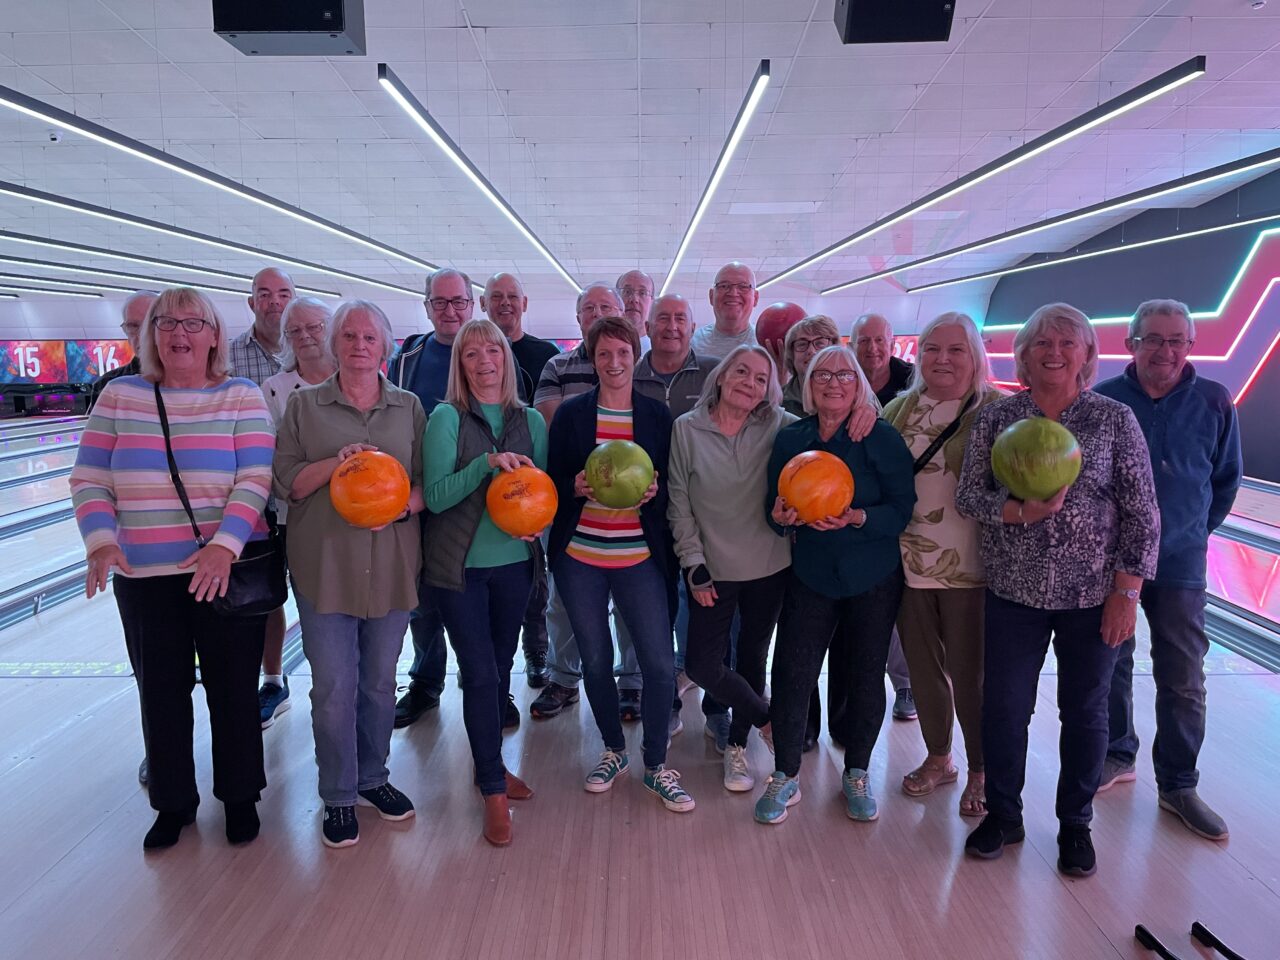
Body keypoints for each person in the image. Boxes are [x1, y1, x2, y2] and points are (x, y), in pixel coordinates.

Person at [956, 302, 1159, 878]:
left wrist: (1127, 592)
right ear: (1022, 355)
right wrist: (1019, 511)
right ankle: (1004, 815)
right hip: (1014, 592)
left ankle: (1075, 823)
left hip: (1092, 596)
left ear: (1087, 356)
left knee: (1087, 712)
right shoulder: (997, 419)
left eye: (1068, 343)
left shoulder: (1114, 419)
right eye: (1041, 342)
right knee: (1005, 708)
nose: (1054, 351)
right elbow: (970, 497)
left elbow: (1143, 512)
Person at [70, 286, 274, 850]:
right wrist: (101, 541)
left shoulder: (242, 395)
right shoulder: (119, 396)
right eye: (167, 323)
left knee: (233, 690)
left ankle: (239, 797)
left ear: (214, 335)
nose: (179, 334)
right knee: (160, 691)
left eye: (193, 323)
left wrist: (224, 545)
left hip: (224, 569)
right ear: (149, 335)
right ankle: (173, 802)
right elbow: (88, 477)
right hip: (143, 575)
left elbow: (255, 478)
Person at [273, 300, 426, 849]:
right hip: (325, 567)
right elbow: (286, 482)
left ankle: (373, 779)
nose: (360, 345)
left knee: (381, 685)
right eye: (349, 336)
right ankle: (338, 796)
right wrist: (339, 466)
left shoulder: (408, 408)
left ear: (385, 346)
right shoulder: (304, 407)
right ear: (334, 344)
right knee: (335, 688)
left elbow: (425, 487)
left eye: (370, 337)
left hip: (392, 565)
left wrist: (394, 501)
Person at [1094, 299, 1242, 841]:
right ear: (1130, 343)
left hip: (1180, 562)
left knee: (1182, 676)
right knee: (1112, 660)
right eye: (1153, 339)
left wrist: (1191, 532)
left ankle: (1179, 782)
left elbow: (1225, 480)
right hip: (1113, 562)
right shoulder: (1105, 400)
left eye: (1176, 340)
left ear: (1190, 346)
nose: (1165, 350)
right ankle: (1116, 753)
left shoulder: (1213, 401)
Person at [755, 345, 915, 826]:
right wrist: (782, 517)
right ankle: (785, 774)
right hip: (812, 574)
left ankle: (858, 771)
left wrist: (859, 516)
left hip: (872, 575)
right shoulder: (792, 439)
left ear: (859, 384)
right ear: (808, 385)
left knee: (866, 674)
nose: (832, 383)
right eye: (822, 375)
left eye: (844, 374)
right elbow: (773, 506)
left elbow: (901, 508)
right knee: (792, 673)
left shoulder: (880, 438)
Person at [545, 316, 693, 813]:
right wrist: (574, 487)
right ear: (592, 358)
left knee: (655, 661)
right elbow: (552, 483)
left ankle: (655, 763)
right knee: (593, 660)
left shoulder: (657, 416)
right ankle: (613, 750)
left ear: (636, 356)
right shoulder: (570, 415)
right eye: (603, 354)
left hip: (639, 556)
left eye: (623, 354)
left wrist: (654, 493)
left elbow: (674, 486)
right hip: (581, 557)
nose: (614, 363)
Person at [423, 318, 548, 846]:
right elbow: (435, 497)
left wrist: (541, 520)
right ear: (461, 364)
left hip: (514, 567)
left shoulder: (533, 420)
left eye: (491, 350)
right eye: (471, 354)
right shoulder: (446, 417)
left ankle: (487, 766)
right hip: (460, 569)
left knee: (500, 670)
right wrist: (484, 467)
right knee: (478, 675)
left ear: (505, 358)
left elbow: (540, 495)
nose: (483, 361)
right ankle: (493, 790)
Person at [883, 312, 1002, 819]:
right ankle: (939, 756)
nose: (943, 359)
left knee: (970, 673)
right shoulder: (898, 410)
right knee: (923, 669)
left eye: (956, 350)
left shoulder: (997, 410)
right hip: (906, 561)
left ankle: (981, 768)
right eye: (932, 349)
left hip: (971, 565)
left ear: (975, 356)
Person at [669, 345, 793, 792]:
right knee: (703, 664)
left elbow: (828, 429)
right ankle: (768, 720)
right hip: (712, 570)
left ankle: (737, 749)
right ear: (721, 376)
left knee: (752, 658)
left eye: (761, 379)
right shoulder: (686, 429)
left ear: (768, 392)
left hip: (769, 565)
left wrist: (862, 408)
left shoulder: (778, 425)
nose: (750, 382)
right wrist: (694, 564)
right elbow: (679, 503)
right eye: (742, 371)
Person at [530, 282, 642, 720]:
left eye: (606, 307)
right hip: (572, 506)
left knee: (631, 604)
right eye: (588, 308)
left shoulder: (637, 363)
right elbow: (552, 420)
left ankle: (630, 681)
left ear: (623, 317)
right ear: (579, 319)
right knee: (563, 602)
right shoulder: (557, 364)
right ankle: (563, 678)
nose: (596, 314)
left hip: (631, 511)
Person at [390, 267, 473, 729]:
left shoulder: (488, 351)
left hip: (475, 496)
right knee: (421, 598)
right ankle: (425, 683)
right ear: (426, 308)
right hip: (420, 495)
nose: (450, 311)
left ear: (472, 305)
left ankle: (486, 684)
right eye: (440, 303)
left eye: (458, 302)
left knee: (474, 593)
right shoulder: (408, 358)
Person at [632, 292, 714, 737]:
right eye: (662, 319)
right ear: (647, 327)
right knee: (657, 612)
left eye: (680, 318)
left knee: (706, 610)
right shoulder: (630, 377)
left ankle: (711, 698)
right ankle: (665, 698)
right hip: (643, 516)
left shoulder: (714, 374)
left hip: (704, 514)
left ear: (692, 326)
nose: (671, 327)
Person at [256, 298, 338, 726]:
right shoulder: (274, 388)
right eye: (295, 331)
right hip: (294, 519)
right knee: (306, 609)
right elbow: (276, 463)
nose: (305, 337)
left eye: (314, 327)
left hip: (349, 520)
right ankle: (284, 685)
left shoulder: (358, 379)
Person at [89, 289, 157, 789]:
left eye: (151, 322)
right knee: (153, 671)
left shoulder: (215, 387)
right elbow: (93, 472)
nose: (145, 333)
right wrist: (101, 538)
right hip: (138, 559)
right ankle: (161, 756)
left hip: (207, 555)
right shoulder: (110, 388)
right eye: (132, 326)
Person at [480, 271, 558, 688]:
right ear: (483, 303)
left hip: (529, 488)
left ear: (525, 304)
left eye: (513, 296)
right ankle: (486, 676)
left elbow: (543, 424)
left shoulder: (544, 353)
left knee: (534, 578)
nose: (505, 303)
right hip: (481, 498)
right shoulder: (465, 355)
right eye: (497, 296)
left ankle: (537, 651)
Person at [230, 268, 294, 737]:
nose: (274, 302)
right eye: (264, 294)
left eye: (283, 294)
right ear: (251, 301)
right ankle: (263, 682)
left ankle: (280, 680)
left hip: (305, 497)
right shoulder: (228, 355)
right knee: (263, 594)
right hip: (252, 500)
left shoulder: (316, 350)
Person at [852, 312, 917, 723]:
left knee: (900, 606)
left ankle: (905, 683)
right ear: (852, 345)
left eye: (880, 340)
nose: (873, 349)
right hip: (854, 510)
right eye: (864, 341)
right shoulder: (841, 380)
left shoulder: (912, 382)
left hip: (901, 507)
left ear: (892, 342)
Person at [89, 289, 156, 411]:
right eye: (133, 326)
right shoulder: (106, 384)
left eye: (149, 324)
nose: (141, 335)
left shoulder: (187, 381)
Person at [690, 261, 759, 360]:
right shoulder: (692, 345)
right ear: (711, 296)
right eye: (724, 286)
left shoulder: (768, 345)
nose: (733, 293)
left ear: (755, 298)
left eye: (743, 286)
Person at [616, 268, 655, 353]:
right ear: (616, 298)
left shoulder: (660, 351)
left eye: (642, 293)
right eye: (627, 291)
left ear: (652, 301)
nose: (634, 299)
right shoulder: (603, 348)